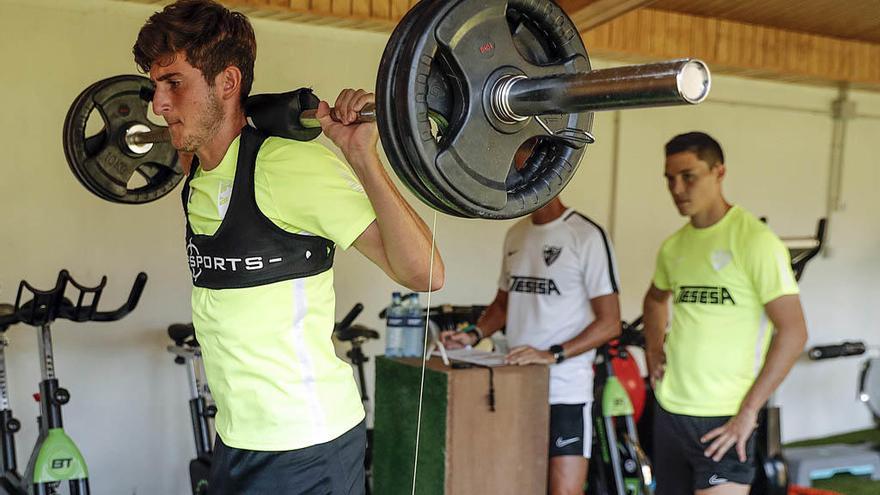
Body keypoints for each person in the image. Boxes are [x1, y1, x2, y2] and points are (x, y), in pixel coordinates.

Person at [133, 1, 444, 493]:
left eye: (174, 83)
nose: (157, 104)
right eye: (155, 86)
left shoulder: (289, 167)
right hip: (236, 439)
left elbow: (424, 273)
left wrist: (363, 156)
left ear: (228, 82)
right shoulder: (196, 171)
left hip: (305, 444)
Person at [642, 132, 808, 495]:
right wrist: (653, 350)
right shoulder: (674, 247)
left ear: (719, 172)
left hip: (725, 418)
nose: (678, 189)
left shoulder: (755, 242)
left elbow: (794, 332)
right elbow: (655, 300)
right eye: (670, 179)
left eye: (689, 176)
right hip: (670, 410)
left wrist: (749, 412)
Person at [443, 194, 621, 495]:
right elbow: (502, 305)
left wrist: (552, 354)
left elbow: (610, 322)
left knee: (563, 491)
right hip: (516, 390)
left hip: (565, 391)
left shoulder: (586, 235)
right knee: (513, 485)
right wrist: (472, 335)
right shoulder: (516, 234)